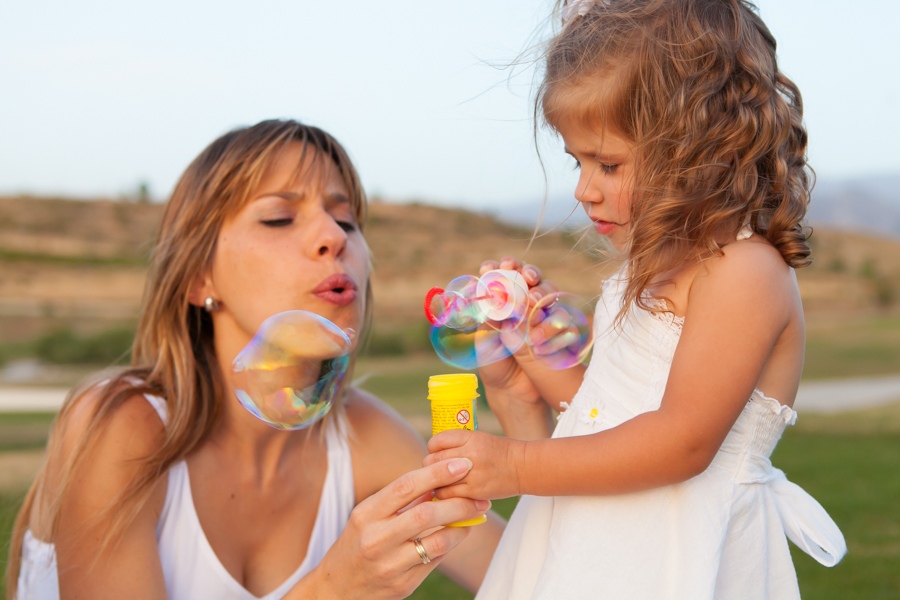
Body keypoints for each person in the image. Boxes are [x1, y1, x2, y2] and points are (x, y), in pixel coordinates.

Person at [425, 1, 847, 598]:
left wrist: (515, 464)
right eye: (578, 161)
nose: (583, 189)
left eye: (608, 163)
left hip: (681, 550)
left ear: (700, 150)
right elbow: (603, 421)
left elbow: (680, 442)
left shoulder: (744, 273)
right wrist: (522, 345)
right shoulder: (644, 276)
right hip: (599, 542)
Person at [7, 119, 503, 599]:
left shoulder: (362, 434)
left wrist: (519, 407)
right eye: (279, 217)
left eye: (346, 218)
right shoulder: (123, 426)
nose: (334, 235)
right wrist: (335, 590)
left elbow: (535, 576)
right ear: (199, 278)